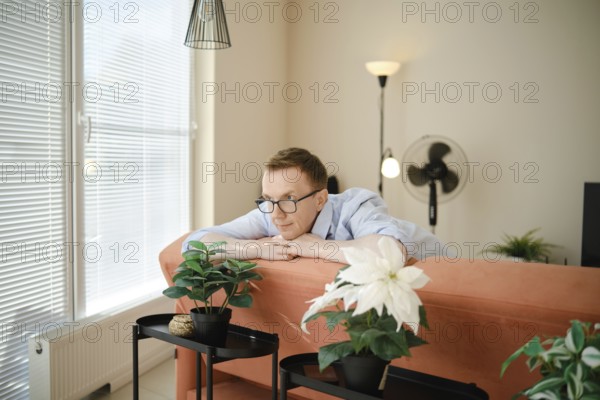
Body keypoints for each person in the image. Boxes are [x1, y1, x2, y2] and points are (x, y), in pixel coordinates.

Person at [183, 147, 444, 263]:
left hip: (441, 265)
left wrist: (317, 247)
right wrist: (256, 248)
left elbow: (389, 254)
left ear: (320, 198)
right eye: (268, 199)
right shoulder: (271, 213)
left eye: (289, 199)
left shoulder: (356, 205)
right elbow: (193, 246)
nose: (276, 214)